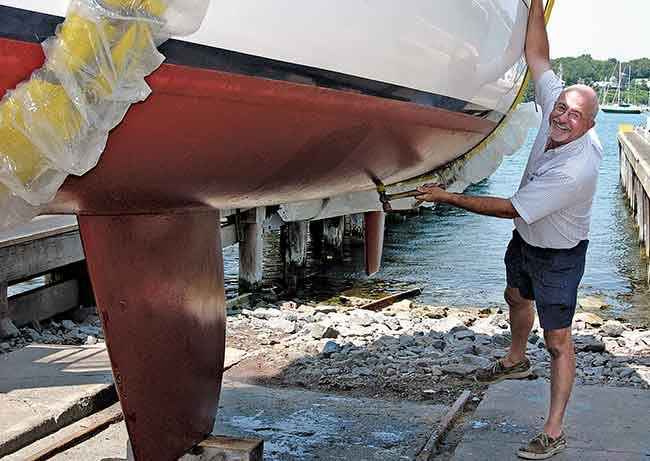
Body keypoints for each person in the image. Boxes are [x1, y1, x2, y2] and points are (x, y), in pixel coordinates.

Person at [415, 1, 602, 459]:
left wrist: (447, 196)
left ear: (589, 125)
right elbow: (538, 57)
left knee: (558, 341)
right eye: (560, 108)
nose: (561, 117)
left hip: (558, 253)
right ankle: (516, 360)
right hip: (528, 239)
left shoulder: (576, 169)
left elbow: (508, 208)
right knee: (516, 296)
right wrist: (534, 6)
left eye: (574, 116)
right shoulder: (556, 104)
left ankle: (553, 431)